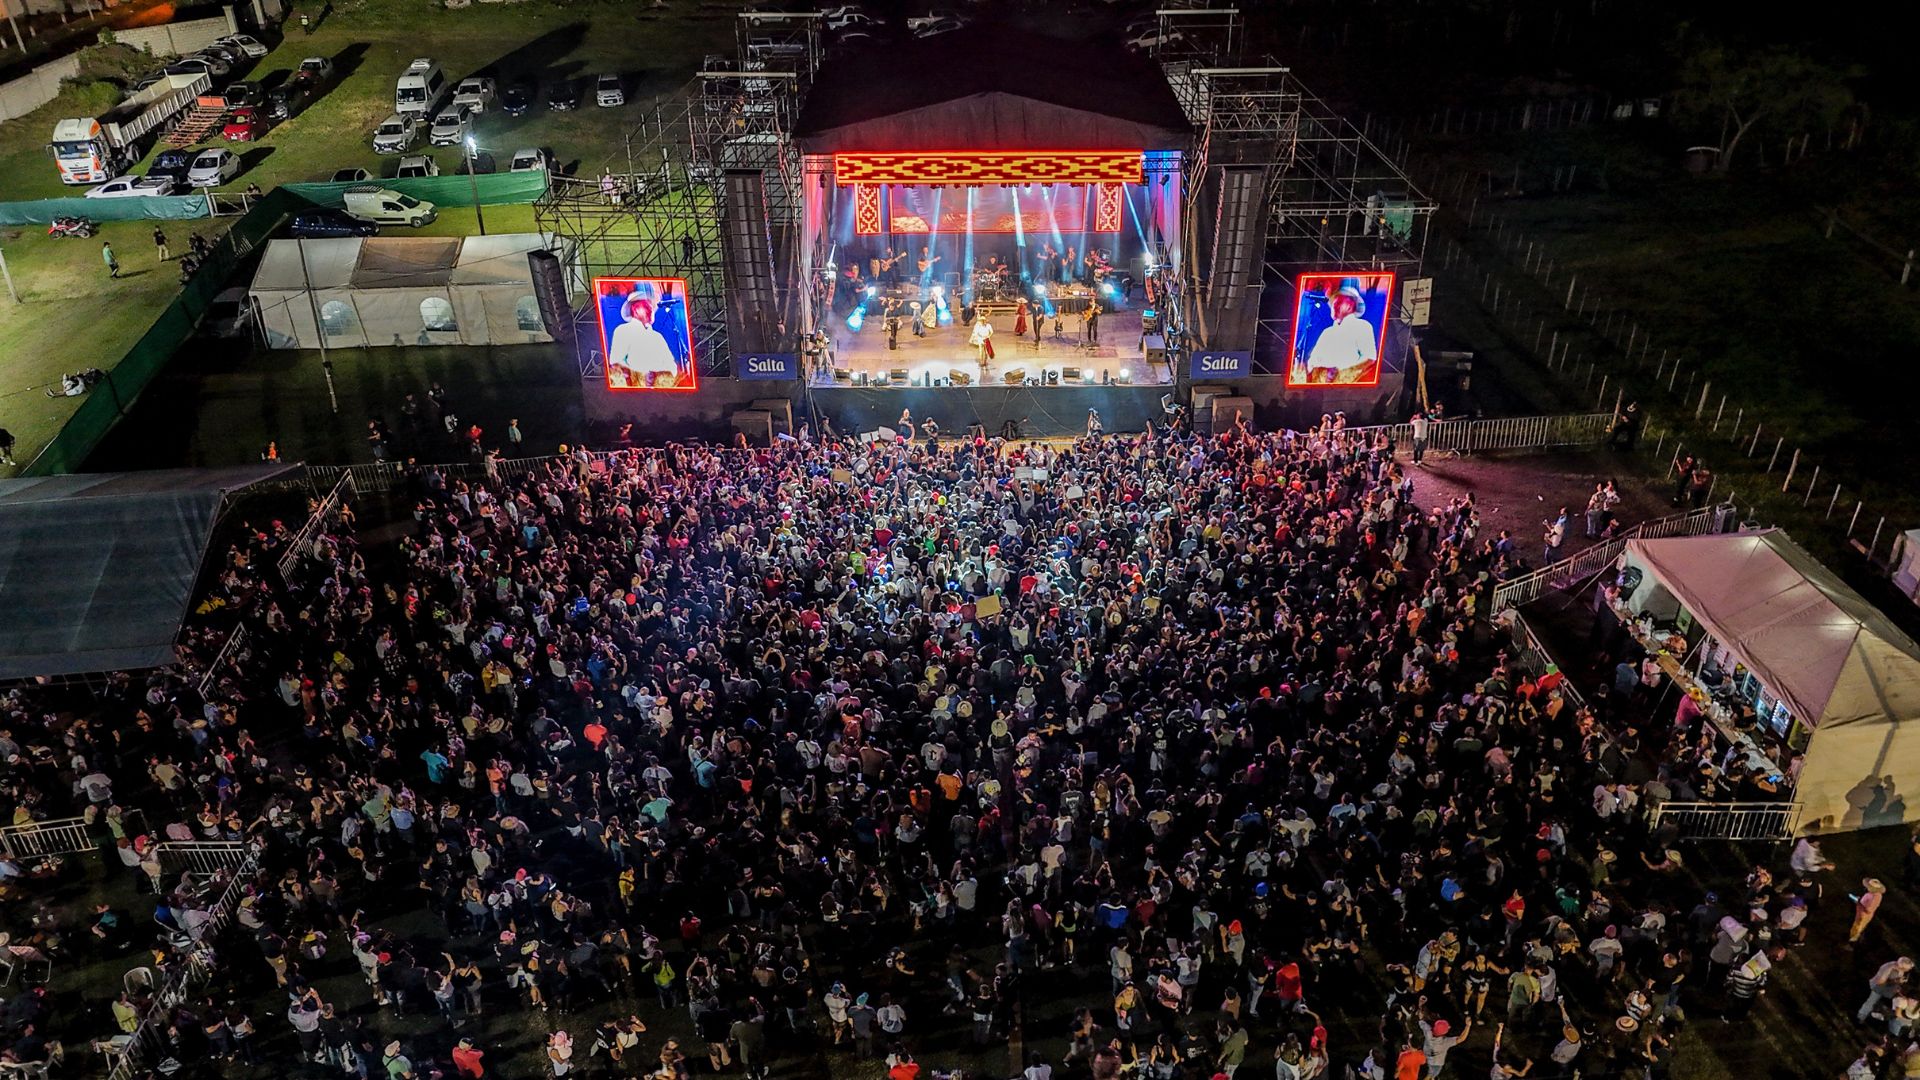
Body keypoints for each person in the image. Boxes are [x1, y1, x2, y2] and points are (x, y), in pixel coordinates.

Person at [1297, 280, 1378, 384]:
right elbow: (1313, 361)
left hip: (1346, 389)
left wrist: (1341, 374)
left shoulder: (1362, 327)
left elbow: (1369, 358)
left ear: (1350, 306)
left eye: (1339, 302)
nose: (1334, 306)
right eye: (1333, 302)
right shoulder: (1327, 332)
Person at [606, 291, 680, 388]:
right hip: (634, 391)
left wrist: (664, 376)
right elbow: (615, 362)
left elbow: (670, 364)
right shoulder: (623, 331)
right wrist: (640, 375)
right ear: (635, 310)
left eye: (651, 307)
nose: (650, 310)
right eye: (645, 307)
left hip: (661, 393)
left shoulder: (657, 337)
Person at [1851, 878, 1888, 943]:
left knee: (1857, 928)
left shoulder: (1876, 897)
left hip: (1863, 915)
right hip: (1861, 912)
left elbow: (1869, 910)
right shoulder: (1872, 894)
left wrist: (1858, 903)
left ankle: (1854, 942)